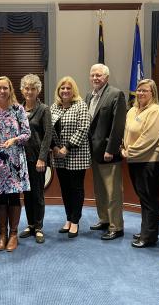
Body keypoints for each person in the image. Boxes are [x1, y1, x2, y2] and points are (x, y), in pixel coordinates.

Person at [0, 76, 31, 252]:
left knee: (14, 197)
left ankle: (13, 234)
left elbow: (27, 134)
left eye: (5, 88)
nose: (2, 91)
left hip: (15, 158)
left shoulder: (18, 109)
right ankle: (2, 234)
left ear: (10, 90)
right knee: (1, 197)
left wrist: (15, 140)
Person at [121, 79, 159, 248]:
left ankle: (149, 236)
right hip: (135, 160)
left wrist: (129, 152)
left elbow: (149, 138)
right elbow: (127, 133)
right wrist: (124, 148)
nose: (140, 93)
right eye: (139, 90)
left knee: (149, 198)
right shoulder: (133, 110)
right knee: (144, 198)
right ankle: (150, 229)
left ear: (152, 93)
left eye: (144, 90)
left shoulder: (156, 111)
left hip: (150, 161)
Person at [85, 64, 126, 241]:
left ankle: (116, 226)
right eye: (93, 75)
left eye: (99, 75)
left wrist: (111, 149)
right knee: (100, 190)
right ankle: (104, 219)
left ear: (106, 78)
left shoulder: (116, 94)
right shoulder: (89, 96)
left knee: (113, 192)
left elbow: (118, 125)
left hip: (108, 154)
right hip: (93, 153)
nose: (95, 78)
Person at [51, 76, 91, 238]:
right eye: (62, 88)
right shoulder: (54, 107)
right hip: (58, 155)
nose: (65, 91)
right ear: (58, 91)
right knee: (65, 189)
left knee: (76, 189)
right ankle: (68, 218)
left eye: (68, 88)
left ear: (73, 90)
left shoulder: (80, 105)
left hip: (76, 154)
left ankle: (75, 221)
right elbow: (49, 129)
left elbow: (83, 128)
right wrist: (54, 147)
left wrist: (66, 148)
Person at [18, 74, 52, 244]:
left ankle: (38, 227)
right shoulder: (18, 109)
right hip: (21, 158)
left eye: (33, 88)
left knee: (38, 194)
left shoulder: (44, 109)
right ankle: (30, 224)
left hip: (37, 159)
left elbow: (48, 135)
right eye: (26, 88)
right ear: (22, 90)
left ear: (38, 90)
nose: (29, 91)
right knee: (27, 194)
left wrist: (42, 158)